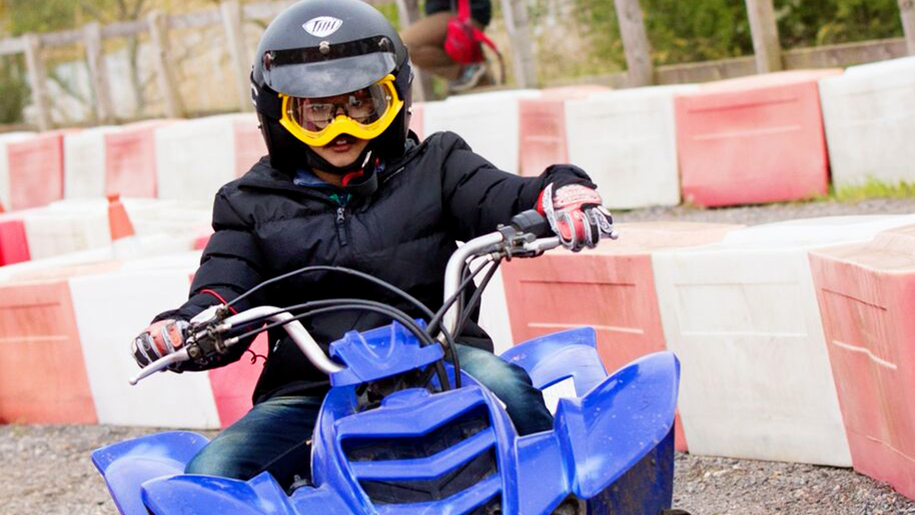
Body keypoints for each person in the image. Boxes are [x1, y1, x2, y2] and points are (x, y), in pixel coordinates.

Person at [131, 0, 615, 490]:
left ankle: (561, 496)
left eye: (361, 103)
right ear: (280, 114)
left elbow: (504, 193)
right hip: (313, 387)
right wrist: (182, 328)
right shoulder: (248, 202)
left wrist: (560, 194)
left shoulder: (438, 163)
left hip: (442, 360)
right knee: (210, 474)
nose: (340, 126)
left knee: (509, 388)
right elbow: (222, 286)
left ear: (393, 99)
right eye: (316, 110)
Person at [401, 0, 494, 92]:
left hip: (462, 13)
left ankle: (469, 72)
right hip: (457, 13)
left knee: (403, 45)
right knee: (403, 46)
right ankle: (473, 74)